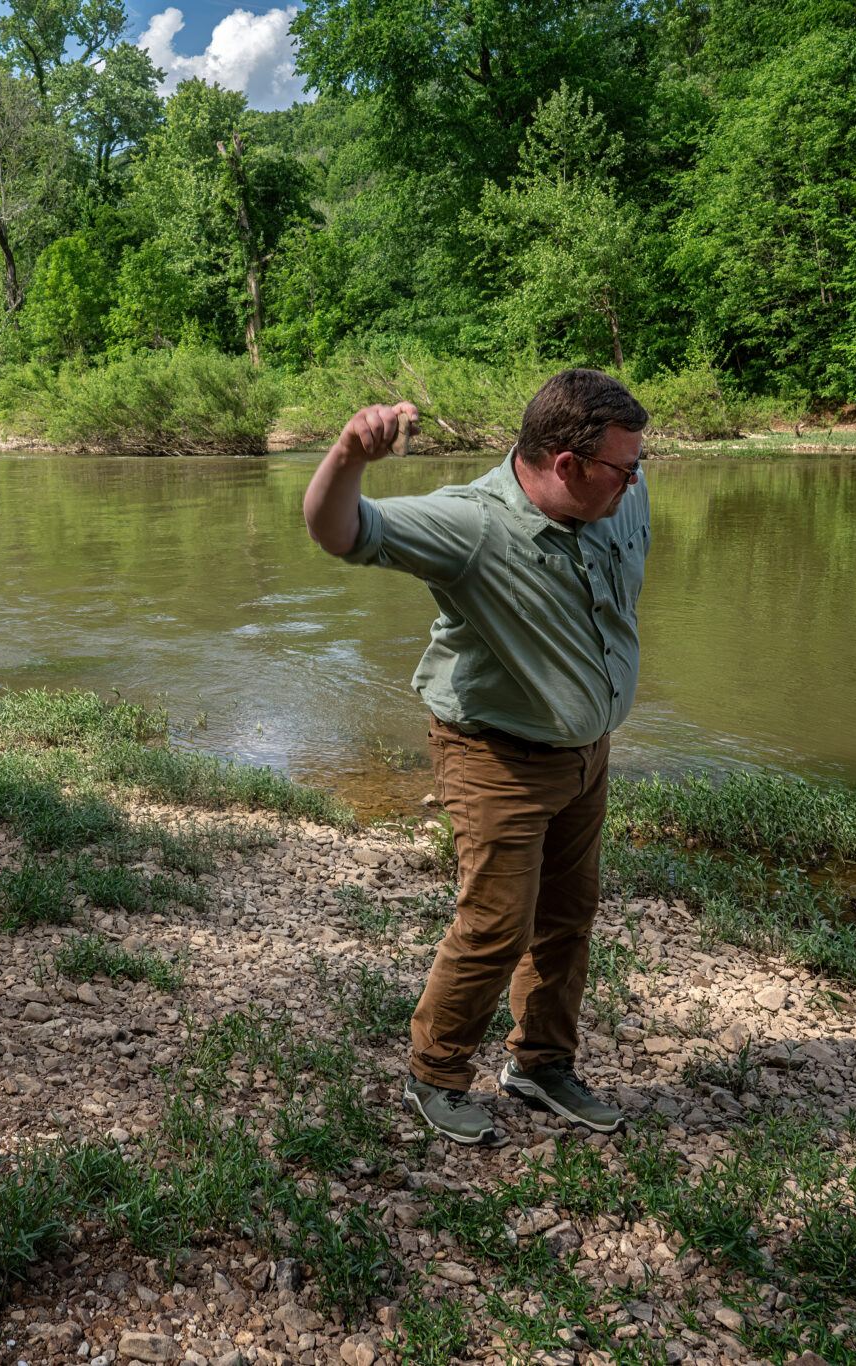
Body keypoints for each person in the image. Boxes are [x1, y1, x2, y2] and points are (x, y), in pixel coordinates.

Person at [300, 369, 651, 1146]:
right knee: (497, 922)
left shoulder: (621, 493)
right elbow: (336, 530)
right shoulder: (470, 525)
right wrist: (350, 454)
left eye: (639, 465)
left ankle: (540, 1064)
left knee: (567, 919)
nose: (637, 481)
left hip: (587, 752)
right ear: (566, 464)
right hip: (496, 754)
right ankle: (435, 1074)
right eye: (624, 469)